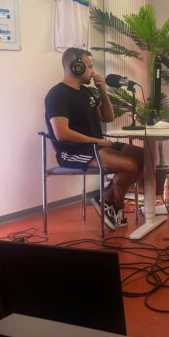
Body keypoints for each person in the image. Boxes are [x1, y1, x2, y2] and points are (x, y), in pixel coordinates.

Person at [45, 48, 143, 229]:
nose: (93, 71)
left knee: (143, 156)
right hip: (73, 151)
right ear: (76, 67)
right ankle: (116, 206)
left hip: (96, 146)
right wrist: (98, 142)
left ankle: (104, 199)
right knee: (129, 165)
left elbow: (108, 117)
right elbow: (61, 133)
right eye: (89, 67)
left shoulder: (86, 92)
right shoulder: (58, 94)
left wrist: (102, 91)